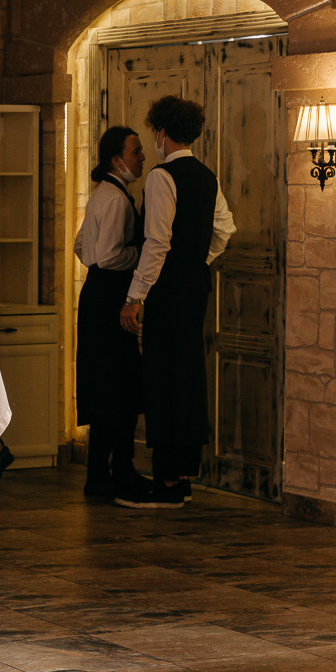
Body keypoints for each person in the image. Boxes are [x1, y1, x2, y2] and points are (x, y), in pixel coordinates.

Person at [117, 96, 236, 509]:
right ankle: (183, 476)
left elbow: (157, 242)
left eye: (154, 133)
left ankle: (166, 481)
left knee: (163, 378)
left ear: (162, 133)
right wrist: (195, 260)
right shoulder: (206, 176)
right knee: (188, 376)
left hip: (166, 290)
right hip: (195, 288)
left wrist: (135, 296)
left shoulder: (160, 176)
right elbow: (224, 229)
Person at [75, 127, 152, 499]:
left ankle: (99, 473)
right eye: (135, 151)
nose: (141, 158)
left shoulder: (100, 194)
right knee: (118, 387)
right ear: (115, 159)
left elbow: (81, 246)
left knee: (105, 386)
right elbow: (107, 256)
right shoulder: (118, 199)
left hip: (95, 294)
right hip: (110, 296)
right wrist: (143, 255)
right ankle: (120, 471)